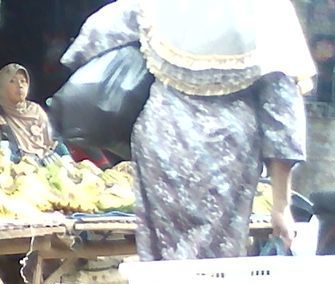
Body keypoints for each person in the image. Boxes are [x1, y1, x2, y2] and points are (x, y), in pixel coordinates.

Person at [62, 0, 313, 260]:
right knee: (214, 259)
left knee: (161, 254)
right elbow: (282, 116)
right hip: (226, 154)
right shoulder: (269, 9)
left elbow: (98, 31)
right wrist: (281, 205)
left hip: (161, 141)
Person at [0, 63, 68, 164]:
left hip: (47, 162)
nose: (20, 86)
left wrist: (65, 157)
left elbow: (52, 140)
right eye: (12, 81)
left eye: (23, 81)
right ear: (2, 86)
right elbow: (5, 152)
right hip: (20, 166)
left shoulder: (35, 110)